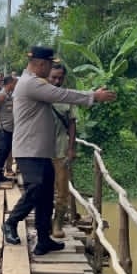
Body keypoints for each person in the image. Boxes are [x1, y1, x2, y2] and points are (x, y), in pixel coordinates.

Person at [2, 46, 115, 256]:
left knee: (45, 196)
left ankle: (44, 239)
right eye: (49, 66)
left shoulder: (32, 81)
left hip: (42, 150)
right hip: (29, 149)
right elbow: (63, 94)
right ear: (42, 64)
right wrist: (94, 96)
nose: (51, 72)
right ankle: (11, 222)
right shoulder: (31, 83)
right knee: (35, 189)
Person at [48, 61, 76, 238]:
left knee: (62, 188)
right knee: (43, 187)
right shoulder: (40, 95)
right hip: (41, 150)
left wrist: (71, 148)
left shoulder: (68, 97)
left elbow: (72, 124)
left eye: (60, 78)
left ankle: (58, 222)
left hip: (61, 149)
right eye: (54, 77)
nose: (57, 81)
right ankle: (44, 220)